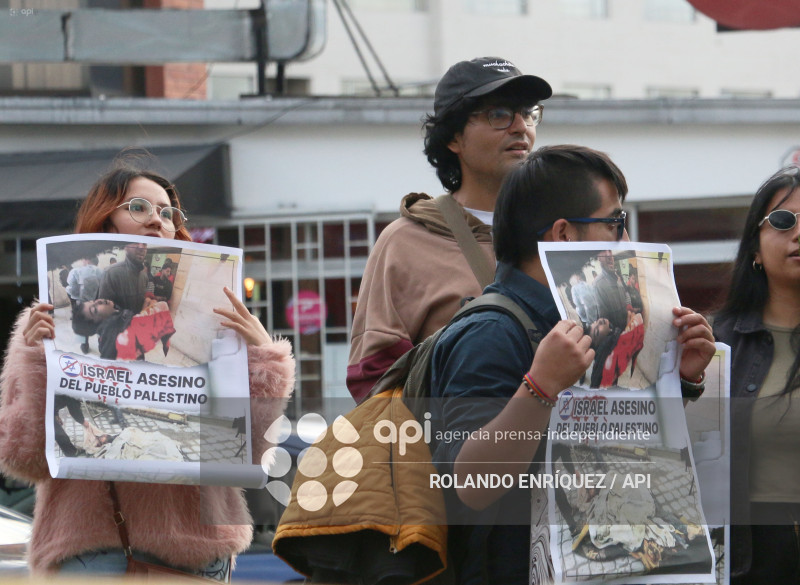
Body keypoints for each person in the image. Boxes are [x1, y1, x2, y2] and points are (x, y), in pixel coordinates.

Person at [429, 145, 715, 583]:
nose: (624, 241)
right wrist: (539, 387)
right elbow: (472, 485)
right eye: (615, 223)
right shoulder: (490, 332)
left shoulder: (576, 323)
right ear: (563, 234)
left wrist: (680, 378)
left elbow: (630, 446)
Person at [0, 161, 296, 579]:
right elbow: (25, 458)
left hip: (199, 556)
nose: (157, 219)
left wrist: (263, 356)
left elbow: (248, 452)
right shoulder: (49, 323)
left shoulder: (215, 323)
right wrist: (35, 356)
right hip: (96, 552)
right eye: (138, 207)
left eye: (167, 212)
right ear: (104, 223)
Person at [346, 57, 552, 403]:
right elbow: (373, 376)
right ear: (454, 138)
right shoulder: (405, 242)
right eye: (499, 114)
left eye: (529, 112)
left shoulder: (561, 229)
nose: (521, 127)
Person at [712, 166, 800, 583]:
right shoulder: (710, 345)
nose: (799, 233)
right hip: (752, 562)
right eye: (784, 221)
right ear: (755, 248)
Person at [74, 297, 176, 361]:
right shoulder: (120, 332)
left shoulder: (109, 329)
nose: (99, 301)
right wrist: (152, 303)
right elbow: (163, 307)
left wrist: (144, 310)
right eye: (94, 309)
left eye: (94, 301)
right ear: (96, 324)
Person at [99, 242, 149, 314]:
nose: (141, 247)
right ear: (125, 246)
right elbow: (103, 313)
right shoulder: (110, 273)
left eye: (144, 243)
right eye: (135, 242)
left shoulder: (144, 276)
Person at [593, 249, 631, 330]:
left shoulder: (618, 279)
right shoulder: (598, 285)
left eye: (610, 251)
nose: (608, 255)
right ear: (598, 257)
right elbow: (605, 323)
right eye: (603, 250)